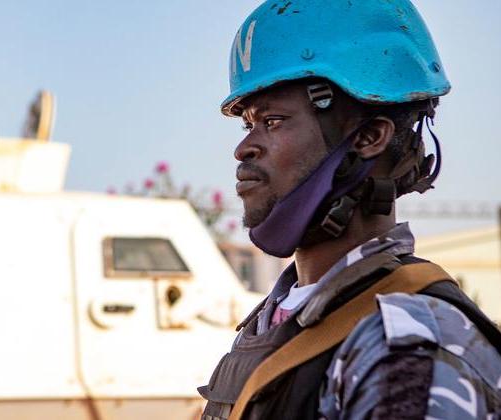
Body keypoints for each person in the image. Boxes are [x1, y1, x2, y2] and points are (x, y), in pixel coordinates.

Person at [198, 1, 501, 419]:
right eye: (248, 124)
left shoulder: (407, 344)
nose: (244, 147)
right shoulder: (281, 315)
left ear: (369, 137)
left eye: (273, 121)